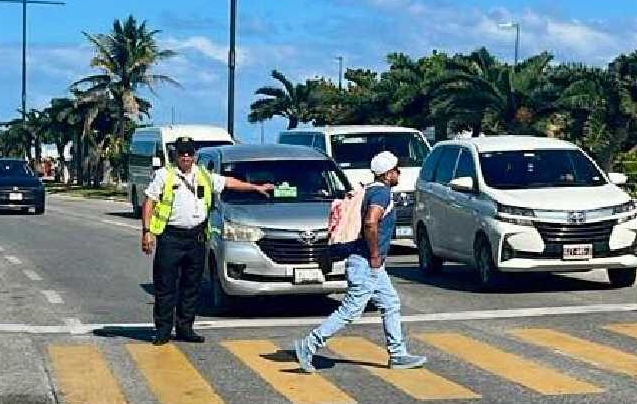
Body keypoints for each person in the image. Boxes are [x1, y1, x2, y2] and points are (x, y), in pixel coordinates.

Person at [293, 151, 427, 371]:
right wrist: (375, 255)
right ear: (387, 174)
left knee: (390, 303)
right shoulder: (381, 194)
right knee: (351, 310)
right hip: (366, 263)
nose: (399, 173)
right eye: (396, 170)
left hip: (370, 264)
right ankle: (309, 345)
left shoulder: (370, 190)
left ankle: (398, 354)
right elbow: (370, 223)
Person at [141, 137, 274, 346]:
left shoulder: (203, 174)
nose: (186, 157)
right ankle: (163, 330)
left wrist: (255, 187)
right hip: (171, 238)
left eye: (189, 153)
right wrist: (147, 231)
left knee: (191, 286)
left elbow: (228, 182)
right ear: (176, 155)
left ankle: (185, 328)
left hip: (196, 238)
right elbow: (149, 202)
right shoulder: (164, 175)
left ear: (194, 155)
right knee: (165, 286)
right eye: (182, 153)